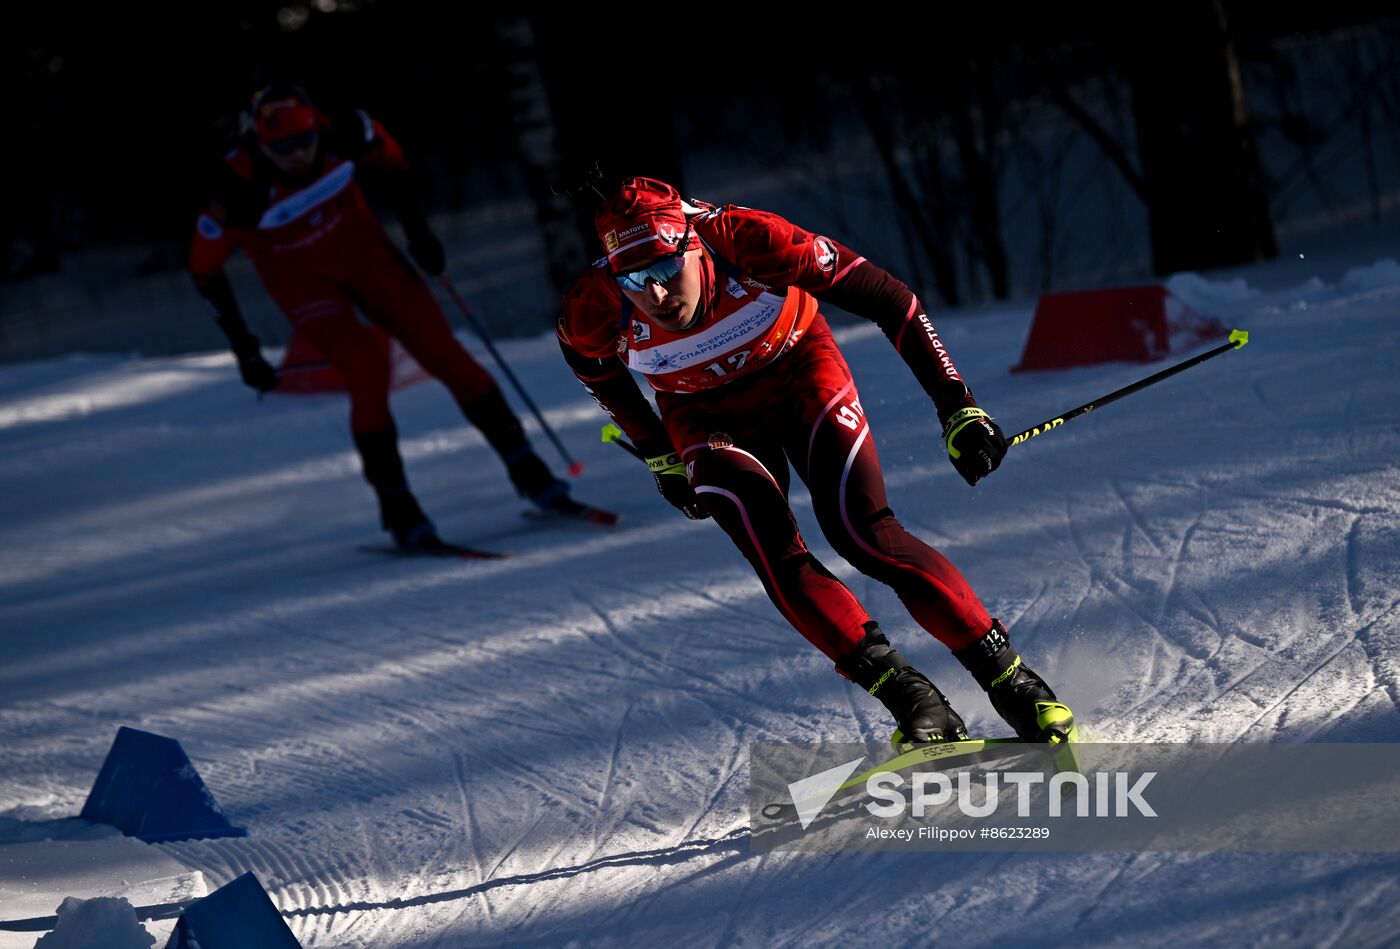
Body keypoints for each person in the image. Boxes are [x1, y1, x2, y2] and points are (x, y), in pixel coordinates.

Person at [556, 177, 1074, 745]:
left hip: (800, 371)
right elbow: (592, 365)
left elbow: (889, 298)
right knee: (772, 547)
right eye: (633, 279)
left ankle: (1013, 683)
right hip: (703, 413)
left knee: (862, 533)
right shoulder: (595, 307)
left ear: (691, 246)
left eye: (662, 269)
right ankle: (913, 699)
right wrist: (659, 454)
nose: (653, 294)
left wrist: (958, 408)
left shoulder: (750, 241)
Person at [189, 83, 572, 548]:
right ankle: (399, 507)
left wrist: (419, 234)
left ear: (316, 126)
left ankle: (530, 472)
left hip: (367, 257)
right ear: (258, 143)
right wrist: (244, 348)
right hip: (302, 282)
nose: (296, 155)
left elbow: (391, 164)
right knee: (366, 362)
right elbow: (204, 270)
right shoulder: (236, 185)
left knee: (445, 353)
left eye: (303, 141)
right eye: (280, 147)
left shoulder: (347, 130)